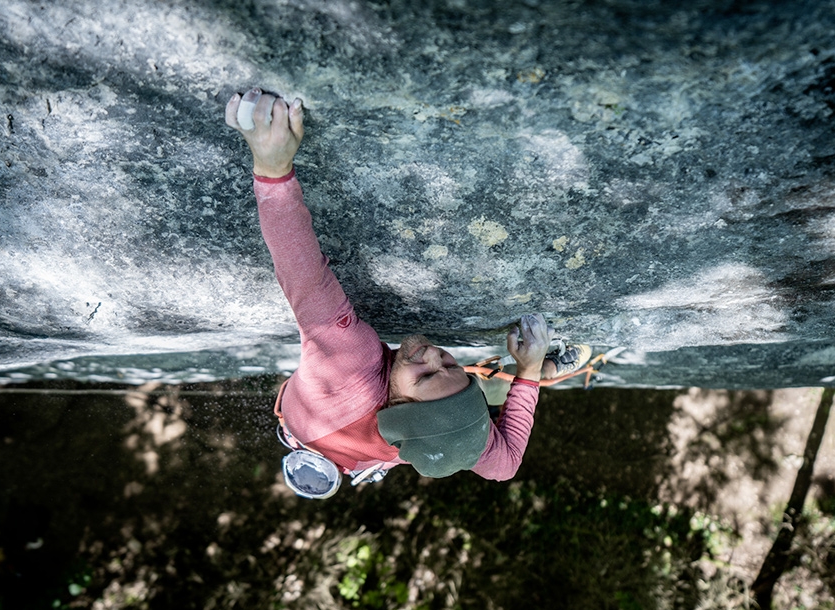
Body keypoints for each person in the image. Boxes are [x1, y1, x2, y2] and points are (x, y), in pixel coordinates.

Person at [225, 88, 589, 496]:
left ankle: (535, 373)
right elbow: (505, 466)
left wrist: (272, 170)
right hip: (386, 438)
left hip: (317, 417)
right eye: (452, 367)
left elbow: (304, 274)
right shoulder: (446, 436)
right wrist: (528, 373)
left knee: (467, 396)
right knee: (480, 397)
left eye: (427, 374)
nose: (434, 354)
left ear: (397, 407)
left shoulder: (348, 367)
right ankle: (538, 371)